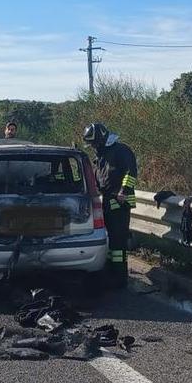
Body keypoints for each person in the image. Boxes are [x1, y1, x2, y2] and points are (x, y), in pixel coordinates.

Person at [83, 122, 138, 289]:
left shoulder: (121, 151)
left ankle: (120, 278)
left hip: (120, 201)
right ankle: (110, 273)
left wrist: (124, 190)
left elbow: (131, 172)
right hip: (107, 200)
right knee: (109, 240)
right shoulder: (102, 154)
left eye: (94, 142)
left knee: (118, 243)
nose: (93, 146)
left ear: (102, 138)